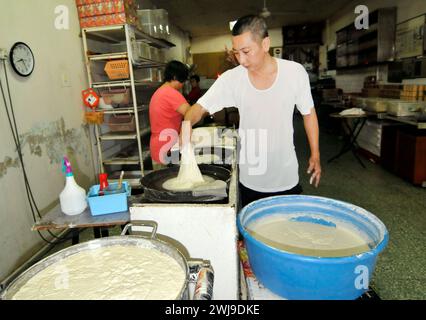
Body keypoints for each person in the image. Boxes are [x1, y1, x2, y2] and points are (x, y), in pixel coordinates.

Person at [183, 15, 321, 207]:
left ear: (265, 44)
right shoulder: (232, 79)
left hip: (286, 176)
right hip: (251, 178)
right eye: (236, 53)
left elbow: (308, 113)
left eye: (246, 51)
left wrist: (315, 154)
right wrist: (186, 125)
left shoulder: (295, 73)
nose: (241, 60)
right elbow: (199, 108)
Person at [149, 60, 190, 169]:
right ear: (176, 77)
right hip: (166, 148)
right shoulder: (171, 93)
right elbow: (190, 113)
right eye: (183, 81)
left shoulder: (159, 91)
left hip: (157, 146)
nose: (182, 85)